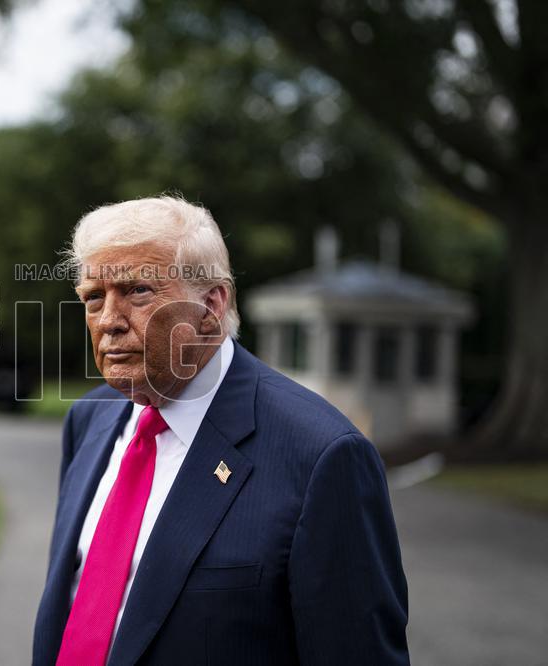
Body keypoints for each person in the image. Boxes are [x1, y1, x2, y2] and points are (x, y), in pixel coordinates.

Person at [33, 196, 409, 665]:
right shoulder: (89, 420)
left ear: (211, 304)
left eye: (138, 291)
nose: (108, 321)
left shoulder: (323, 456)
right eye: (94, 297)